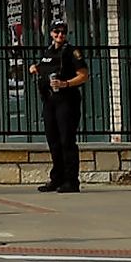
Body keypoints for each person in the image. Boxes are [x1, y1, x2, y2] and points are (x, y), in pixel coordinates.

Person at [30, 19, 88, 193]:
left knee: (66, 140)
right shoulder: (47, 51)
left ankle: (71, 181)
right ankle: (57, 178)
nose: (59, 35)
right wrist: (35, 68)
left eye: (62, 32)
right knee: (53, 141)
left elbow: (83, 75)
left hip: (67, 100)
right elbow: (45, 68)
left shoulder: (72, 52)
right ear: (51, 33)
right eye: (56, 32)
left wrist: (66, 84)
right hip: (49, 101)